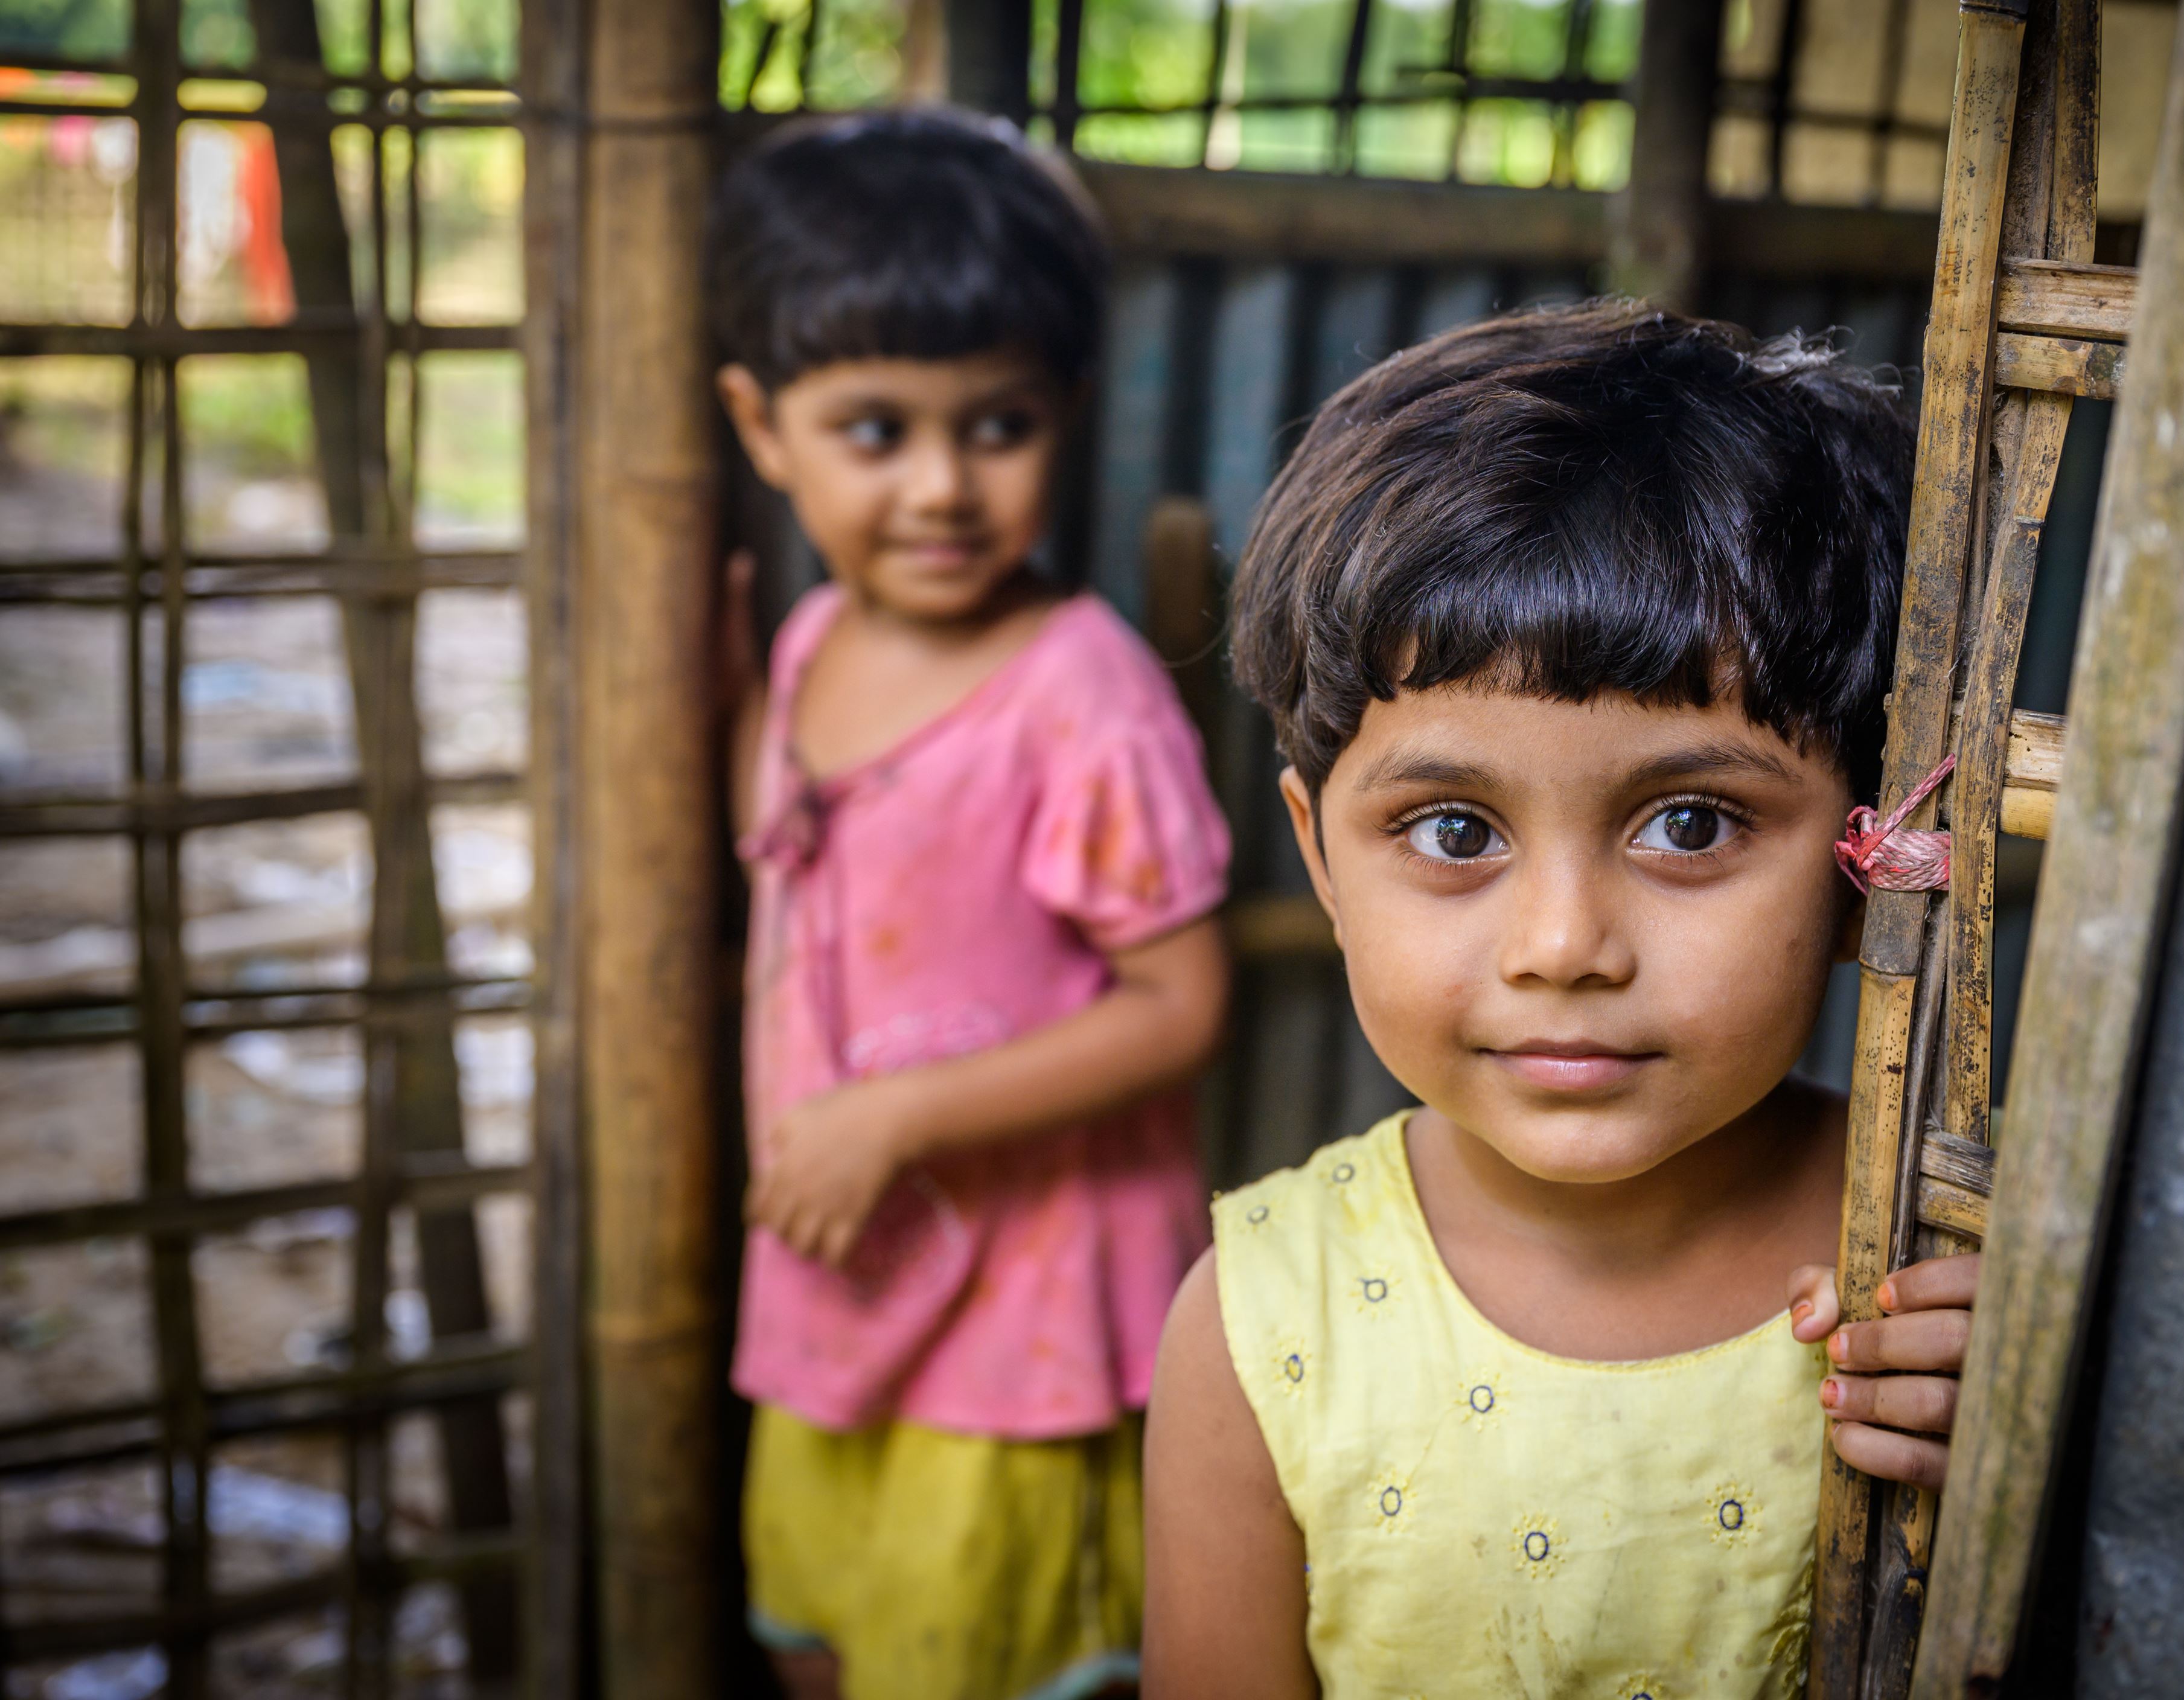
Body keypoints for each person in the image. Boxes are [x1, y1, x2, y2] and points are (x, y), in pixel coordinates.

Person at [1143, 301, 1976, 1698]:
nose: (1563, 945)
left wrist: (2027, 1454)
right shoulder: (1264, 1330)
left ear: (1863, 860)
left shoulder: (1947, 1260)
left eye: (1692, 826)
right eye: (1456, 832)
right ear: (1319, 857)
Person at [707, 109, 1231, 1700]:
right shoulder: (806, 646)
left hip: (1020, 1337)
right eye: (876, 431)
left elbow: (1179, 1002)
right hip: (837, 1301)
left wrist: (897, 1120)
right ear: (761, 426)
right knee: (820, 1634)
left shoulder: (1081, 695)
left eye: (993, 426)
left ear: (1065, 415)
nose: (939, 486)